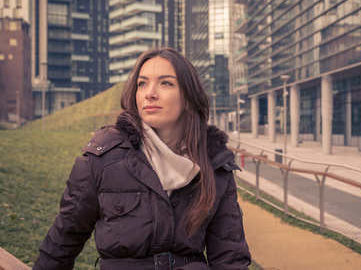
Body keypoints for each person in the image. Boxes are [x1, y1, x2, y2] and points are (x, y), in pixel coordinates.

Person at [33, 47, 251, 270]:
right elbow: (65, 237)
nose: (150, 93)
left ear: (188, 98)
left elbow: (230, 257)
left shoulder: (215, 164)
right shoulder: (104, 155)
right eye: (142, 84)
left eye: (166, 83)